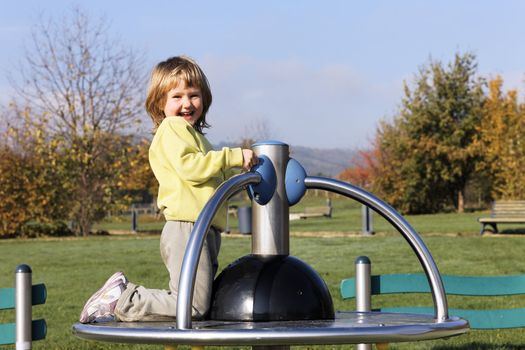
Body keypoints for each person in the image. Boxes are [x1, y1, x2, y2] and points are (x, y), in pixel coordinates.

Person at [79, 56, 258, 323]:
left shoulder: (194, 136)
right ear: (160, 103)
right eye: (177, 96)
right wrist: (232, 156)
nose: (187, 103)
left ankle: (126, 299)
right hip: (187, 226)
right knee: (192, 306)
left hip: (203, 227)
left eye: (194, 95)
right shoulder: (173, 128)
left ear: (204, 99)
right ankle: (123, 298)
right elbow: (191, 168)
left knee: (195, 303)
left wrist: (241, 171)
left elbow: (210, 174)